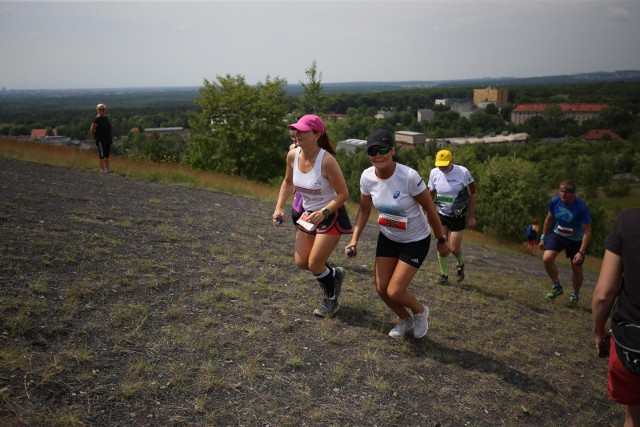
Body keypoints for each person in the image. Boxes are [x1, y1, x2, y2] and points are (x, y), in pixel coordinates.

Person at [345, 129, 450, 339]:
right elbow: (364, 209)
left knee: (395, 291)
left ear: (392, 150)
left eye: (383, 149)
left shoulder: (409, 176)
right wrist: (354, 239)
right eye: (372, 151)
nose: (378, 155)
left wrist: (441, 240)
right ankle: (405, 319)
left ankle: (420, 312)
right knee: (382, 289)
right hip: (389, 236)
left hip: (415, 240)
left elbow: (430, 209)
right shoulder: (367, 177)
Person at [272, 114, 353, 318]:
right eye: (295, 130)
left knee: (315, 264)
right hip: (308, 215)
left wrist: (324, 211)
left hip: (330, 215)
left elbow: (344, 194)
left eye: (302, 131)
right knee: (301, 262)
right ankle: (333, 274)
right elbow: (288, 182)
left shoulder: (327, 161)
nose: (296, 134)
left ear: (317, 134)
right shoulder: (292, 155)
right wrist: (279, 207)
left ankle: (331, 300)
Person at [592, 208, 640, 427]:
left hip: (633, 344)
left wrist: (598, 330)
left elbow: (604, 294)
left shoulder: (628, 222)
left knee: (634, 416)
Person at [539, 180, 592, 308]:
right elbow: (549, 219)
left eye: (566, 192)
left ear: (573, 194)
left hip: (576, 240)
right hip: (558, 234)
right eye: (561, 191)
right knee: (547, 258)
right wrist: (543, 237)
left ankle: (575, 295)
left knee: (576, 267)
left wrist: (581, 252)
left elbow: (588, 231)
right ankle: (557, 286)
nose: (562, 194)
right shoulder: (555, 201)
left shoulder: (581, 207)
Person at [427, 149, 476, 284]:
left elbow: (472, 194)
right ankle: (444, 274)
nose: (442, 167)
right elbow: (430, 193)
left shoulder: (463, 172)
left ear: (452, 161)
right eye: (439, 164)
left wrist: (472, 216)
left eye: (445, 164)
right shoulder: (434, 173)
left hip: (458, 214)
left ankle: (460, 264)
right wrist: (428, 212)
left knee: (454, 248)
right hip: (441, 213)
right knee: (441, 243)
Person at [89, 103, 113, 173]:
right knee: (102, 155)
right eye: (100, 109)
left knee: (107, 154)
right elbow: (92, 130)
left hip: (107, 139)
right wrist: (96, 138)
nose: (101, 110)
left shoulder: (106, 118)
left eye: (103, 109)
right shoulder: (96, 119)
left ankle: (107, 168)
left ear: (105, 110)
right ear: (97, 110)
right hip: (100, 140)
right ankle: (102, 169)